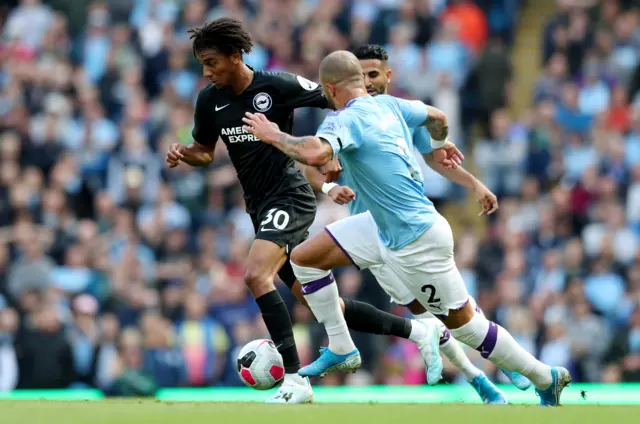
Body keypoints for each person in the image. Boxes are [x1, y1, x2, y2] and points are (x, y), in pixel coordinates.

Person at [242, 50, 572, 407]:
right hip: (381, 226)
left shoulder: (344, 120)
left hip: (415, 239)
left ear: (330, 88)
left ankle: (544, 376)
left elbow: (316, 154)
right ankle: (341, 346)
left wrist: (272, 134)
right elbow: (438, 116)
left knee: (466, 327)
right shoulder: (392, 105)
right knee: (304, 259)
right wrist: (439, 143)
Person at [166, 19, 460, 404]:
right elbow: (205, 151)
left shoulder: (276, 86)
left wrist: (337, 151)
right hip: (259, 207)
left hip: (290, 198)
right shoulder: (210, 100)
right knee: (319, 302)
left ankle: (295, 380)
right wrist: (186, 153)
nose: (206, 72)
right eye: (202, 65)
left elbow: (341, 100)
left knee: (256, 275)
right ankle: (417, 332)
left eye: (211, 62)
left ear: (235, 57)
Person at [302, 44, 531, 404]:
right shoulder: (344, 119)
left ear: (386, 76)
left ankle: (497, 363)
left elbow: (439, 155)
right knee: (431, 316)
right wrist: (330, 184)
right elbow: (311, 164)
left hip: (403, 230)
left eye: (372, 74)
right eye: (360, 76)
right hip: (370, 230)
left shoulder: (398, 112)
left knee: (443, 314)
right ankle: (483, 377)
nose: (367, 82)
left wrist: (474, 184)